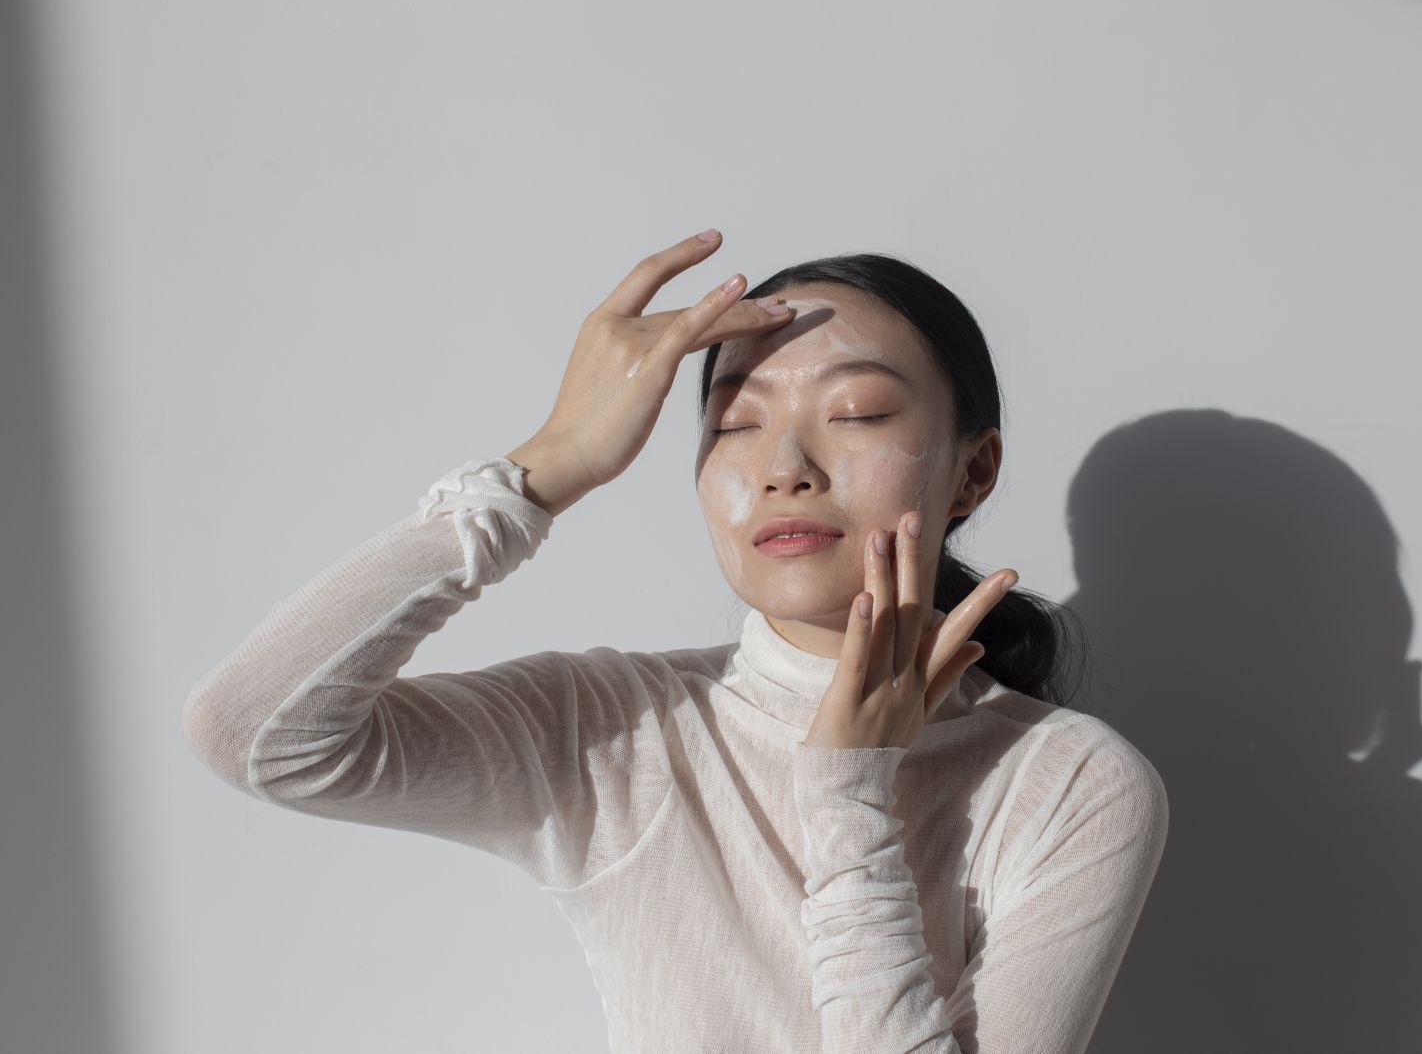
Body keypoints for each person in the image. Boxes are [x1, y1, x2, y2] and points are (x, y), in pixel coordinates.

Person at [182, 229, 1169, 1053]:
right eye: (735, 423)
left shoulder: (1071, 782)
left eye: (856, 412)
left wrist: (848, 789)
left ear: (973, 472)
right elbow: (253, 730)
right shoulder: (623, 728)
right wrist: (547, 468)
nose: (785, 465)